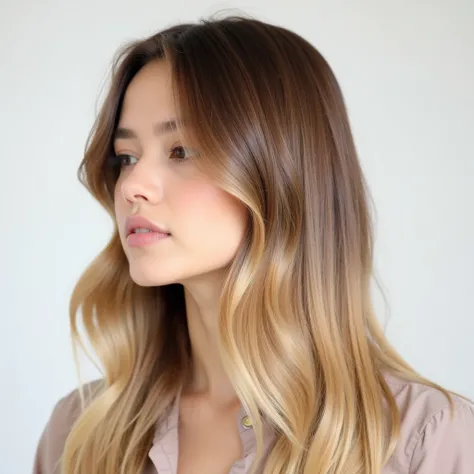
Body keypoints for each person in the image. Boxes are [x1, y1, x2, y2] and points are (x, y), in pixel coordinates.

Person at [33, 12, 474, 474]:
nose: (131, 186)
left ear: (279, 172)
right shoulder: (80, 433)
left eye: (180, 151)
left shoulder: (423, 440)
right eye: (126, 157)